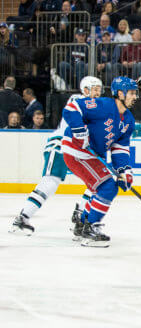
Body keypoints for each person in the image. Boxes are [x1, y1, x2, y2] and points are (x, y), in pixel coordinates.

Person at [9, 77, 104, 235]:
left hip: (78, 149)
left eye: (99, 89)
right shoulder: (78, 99)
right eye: (95, 89)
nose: (98, 92)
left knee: (98, 182)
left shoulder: (96, 106)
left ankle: (80, 216)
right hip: (61, 145)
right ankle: (22, 218)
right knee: (50, 182)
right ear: (85, 89)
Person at [60, 76, 137, 247]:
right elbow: (71, 108)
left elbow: (120, 149)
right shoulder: (103, 105)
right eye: (131, 93)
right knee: (107, 187)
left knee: (102, 189)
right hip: (76, 151)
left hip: (91, 155)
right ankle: (91, 227)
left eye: (135, 93)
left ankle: (82, 223)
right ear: (120, 93)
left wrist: (125, 171)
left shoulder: (129, 120)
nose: (135, 97)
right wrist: (79, 130)